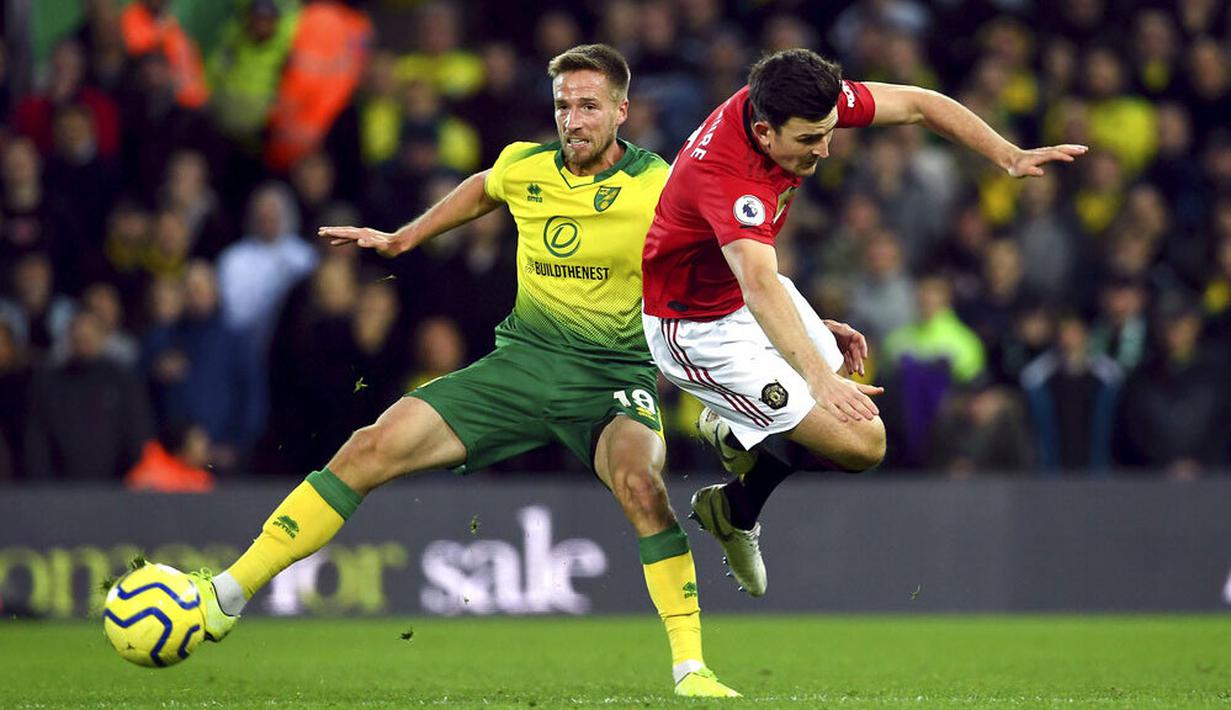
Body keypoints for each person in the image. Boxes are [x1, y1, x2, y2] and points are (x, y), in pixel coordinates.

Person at [188, 45, 737, 698]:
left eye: (589, 105)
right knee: (369, 447)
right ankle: (227, 593)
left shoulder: (658, 185)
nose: (573, 119)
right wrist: (405, 237)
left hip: (610, 380)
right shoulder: (525, 165)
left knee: (642, 487)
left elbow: (733, 255)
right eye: (563, 105)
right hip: (520, 369)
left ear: (621, 110)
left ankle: (689, 668)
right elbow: (485, 186)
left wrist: (807, 335)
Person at [640, 48, 1087, 597]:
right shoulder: (728, 179)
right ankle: (733, 433)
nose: (825, 149)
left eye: (829, 133)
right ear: (762, 132)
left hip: (743, 292)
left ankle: (734, 501)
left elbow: (919, 104)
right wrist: (816, 376)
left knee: (840, 419)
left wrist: (1008, 155)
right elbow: (758, 283)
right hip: (694, 329)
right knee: (862, 443)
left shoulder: (794, 105)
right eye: (809, 141)